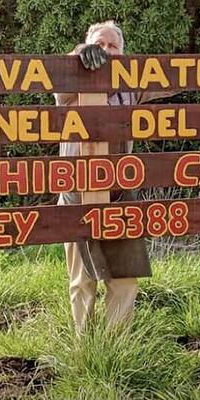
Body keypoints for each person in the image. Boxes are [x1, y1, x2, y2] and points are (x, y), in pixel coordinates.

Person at [54, 20, 180, 334]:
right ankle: (83, 348)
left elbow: (178, 77)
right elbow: (59, 90)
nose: (106, 51)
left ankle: (118, 348)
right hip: (76, 192)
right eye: (100, 43)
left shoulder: (132, 86)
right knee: (81, 280)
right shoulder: (72, 78)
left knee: (124, 278)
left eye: (113, 46)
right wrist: (79, 54)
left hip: (121, 192)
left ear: (123, 54)